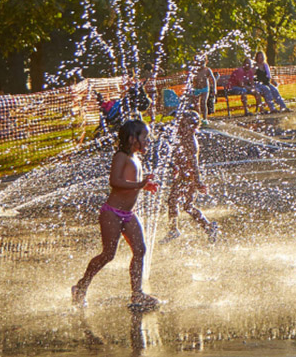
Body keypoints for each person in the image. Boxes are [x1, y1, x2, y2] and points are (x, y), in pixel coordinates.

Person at [72, 120, 160, 309]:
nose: (148, 140)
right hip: (111, 213)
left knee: (140, 250)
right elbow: (115, 181)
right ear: (131, 138)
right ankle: (81, 286)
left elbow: (130, 183)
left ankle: (137, 294)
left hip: (128, 213)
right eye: (144, 137)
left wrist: (144, 186)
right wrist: (139, 184)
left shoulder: (136, 158)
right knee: (108, 254)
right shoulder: (121, 156)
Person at [161, 110, 219, 243]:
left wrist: (198, 182)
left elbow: (194, 164)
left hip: (188, 178)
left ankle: (174, 230)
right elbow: (180, 158)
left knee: (176, 202)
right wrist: (175, 166)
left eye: (183, 125)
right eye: (179, 124)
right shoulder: (183, 138)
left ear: (193, 126)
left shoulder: (191, 141)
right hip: (184, 176)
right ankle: (208, 227)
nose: (179, 127)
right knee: (185, 205)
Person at [190, 56, 216, 124]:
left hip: (205, 88)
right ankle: (198, 118)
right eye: (199, 62)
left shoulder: (207, 70)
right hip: (196, 89)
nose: (201, 64)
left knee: (203, 102)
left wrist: (214, 89)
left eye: (202, 62)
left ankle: (205, 118)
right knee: (196, 104)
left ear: (206, 62)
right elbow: (190, 80)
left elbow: (213, 79)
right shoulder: (194, 70)